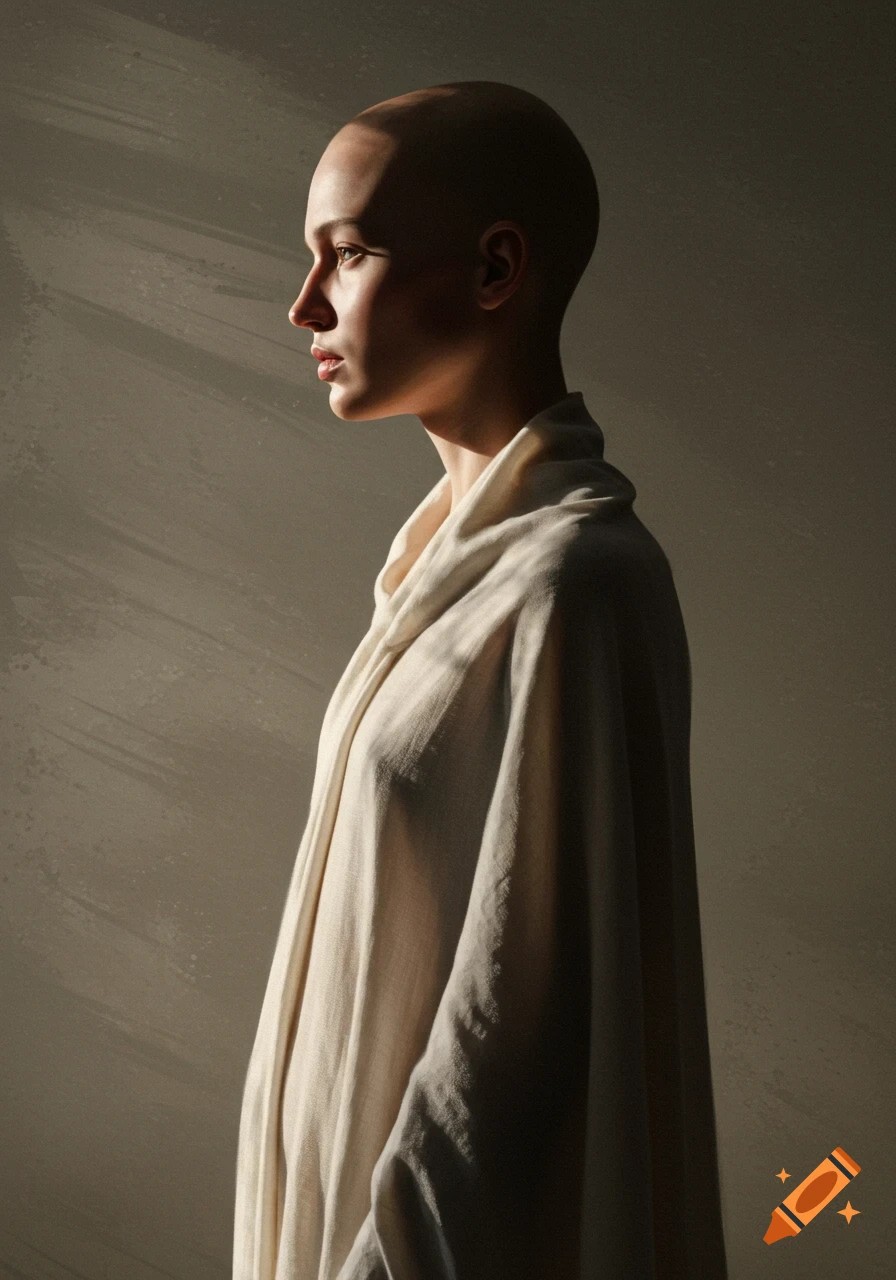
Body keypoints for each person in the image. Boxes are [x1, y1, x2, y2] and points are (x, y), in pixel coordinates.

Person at [232, 81, 729, 1280]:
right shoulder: (428, 580)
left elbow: (515, 1027)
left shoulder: (576, 582)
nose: (304, 303)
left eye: (346, 254)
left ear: (496, 267)